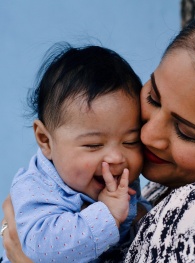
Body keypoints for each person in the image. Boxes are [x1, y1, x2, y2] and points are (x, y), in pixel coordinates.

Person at [2, 3, 195, 262]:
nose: (146, 136)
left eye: (185, 131)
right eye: (153, 97)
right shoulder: (166, 178)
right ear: (45, 139)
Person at [1, 44, 150, 263]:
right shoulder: (34, 187)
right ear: (45, 140)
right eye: (93, 145)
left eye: (130, 141)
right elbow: (40, 248)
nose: (117, 157)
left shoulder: (118, 179)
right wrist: (107, 214)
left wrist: (138, 216)